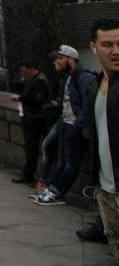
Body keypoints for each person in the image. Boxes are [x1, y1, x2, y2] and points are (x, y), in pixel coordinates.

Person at [36, 44, 97, 205]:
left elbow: (87, 103)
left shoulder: (83, 77)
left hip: (74, 125)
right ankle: (51, 188)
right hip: (66, 122)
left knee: (70, 162)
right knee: (60, 159)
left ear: (71, 60)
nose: (57, 61)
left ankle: (56, 191)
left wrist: (78, 123)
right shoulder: (69, 77)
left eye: (60, 58)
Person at [88, 16, 119, 259]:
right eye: (108, 45)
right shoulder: (95, 87)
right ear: (94, 47)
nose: (115, 51)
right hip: (106, 189)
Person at [10, 59, 54, 185]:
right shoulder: (36, 79)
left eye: (25, 71)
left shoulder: (39, 81)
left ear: (32, 69)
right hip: (33, 118)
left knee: (32, 147)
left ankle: (29, 174)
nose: (23, 74)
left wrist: (21, 98)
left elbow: (36, 99)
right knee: (31, 147)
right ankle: (29, 173)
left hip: (35, 120)